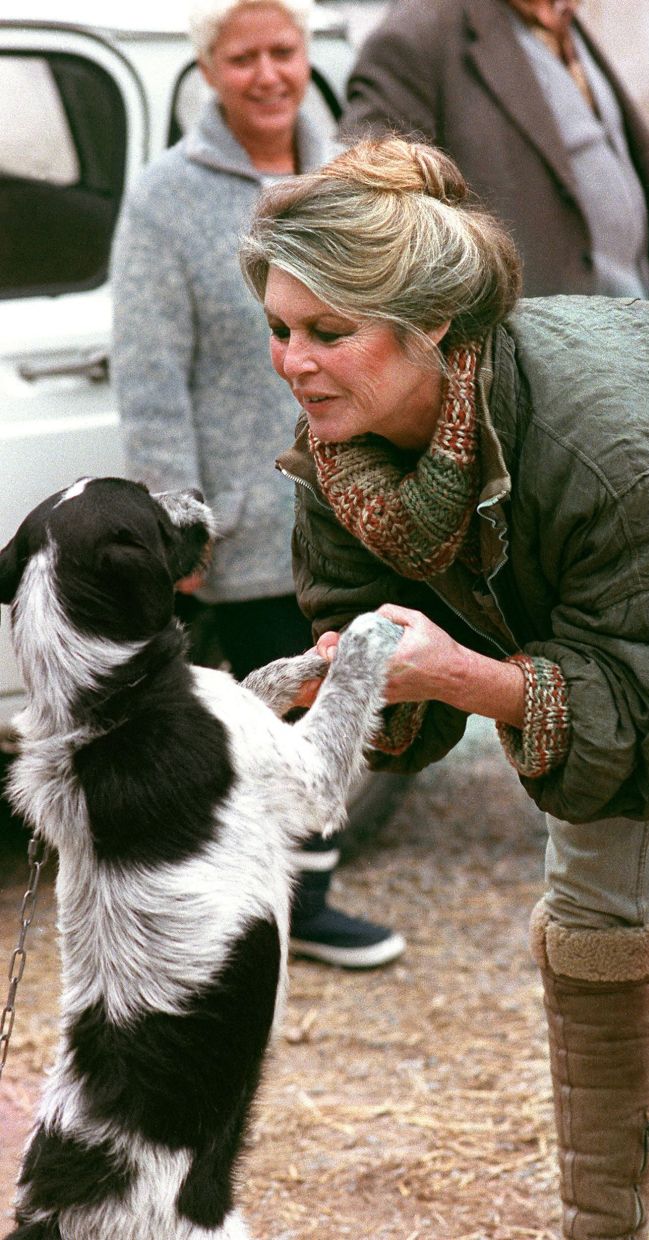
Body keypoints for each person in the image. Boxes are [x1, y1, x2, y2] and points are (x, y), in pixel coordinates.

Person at [238, 136, 649, 1237]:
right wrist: (352, 681)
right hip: (614, 581)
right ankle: (597, 1223)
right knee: (589, 913)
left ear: (429, 331)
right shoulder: (345, 442)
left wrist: (465, 674)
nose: (293, 362)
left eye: (327, 333)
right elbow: (369, 631)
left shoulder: (615, 452)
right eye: (280, 328)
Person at [110, 0, 405, 970]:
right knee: (262, 715)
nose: (269, 74)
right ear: (209, 68)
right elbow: (148, 369)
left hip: (353, 501)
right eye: (244, 57)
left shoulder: (347, 182)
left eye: (284, 51)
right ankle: (266, 906)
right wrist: (174, 520)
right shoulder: (165, 196)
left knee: (344, 688)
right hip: (243, 520)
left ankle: (300, 898)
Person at [340, 0, 649, 301]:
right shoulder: (420, 29)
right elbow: (368, 193)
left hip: (634, 326)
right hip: (530, 348)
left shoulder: (559, 16)